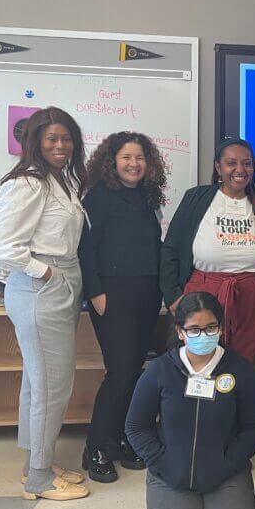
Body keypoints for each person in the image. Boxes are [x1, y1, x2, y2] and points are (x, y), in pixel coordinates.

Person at [0, 107, 89, 501]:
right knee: (52, 387)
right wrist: (44, 273)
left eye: (66, 138)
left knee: (38, 382)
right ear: (35, 142)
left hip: (59, 283)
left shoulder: (59, 179)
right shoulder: (27, 183)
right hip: (41, 287)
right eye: (51, 139)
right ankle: (40, 479)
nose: (60, 146)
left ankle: (35, 463)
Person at [125, 292, 255, 509]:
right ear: (180, 332)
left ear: (222, 328)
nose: (204, 335)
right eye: (194, 330)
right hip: (171, 478)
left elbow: (254, 427)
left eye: (211, 328)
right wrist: (163, 464)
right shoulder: (160, 371)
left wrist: (228, 463)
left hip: (226, 476)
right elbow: (136, 427)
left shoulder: (239, 370)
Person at [77, 132, 167, 484]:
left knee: (135, 371)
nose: (134, 164)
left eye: (140, 158)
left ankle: (126, 440)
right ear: (111, 161)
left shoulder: (148, 196)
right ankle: (96, 447)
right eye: (127, 157)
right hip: (111, 295)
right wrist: (95, 291)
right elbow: (86, 249)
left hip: (146, 294)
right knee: (120, 372)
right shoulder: (98, 197)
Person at [160, 138, 255, 362]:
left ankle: (233, 399)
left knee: (241, 364)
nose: (240, 169)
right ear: (218, 167)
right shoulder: (196, 198)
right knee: (200, 361)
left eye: (246, 163)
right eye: (231, 163)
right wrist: (173, 297)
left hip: (251, 298)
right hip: (202, 293)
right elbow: (170, 249)